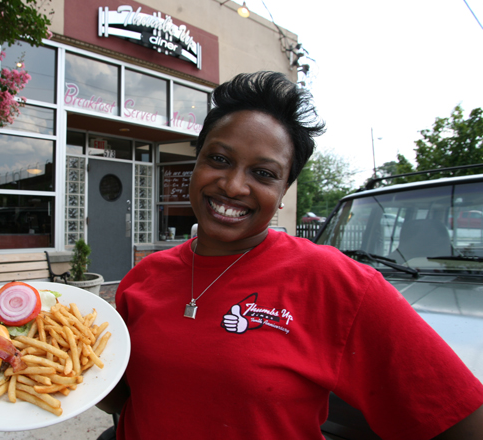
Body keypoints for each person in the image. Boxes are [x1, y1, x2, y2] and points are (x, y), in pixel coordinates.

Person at [97, 71, 483, 439]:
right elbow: (124, 396)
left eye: (263, 174)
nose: (232, 185)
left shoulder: (336, 281)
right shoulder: (144, 277)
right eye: (219, 159)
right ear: (196, 162)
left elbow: (459, 419)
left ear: (283, 193)